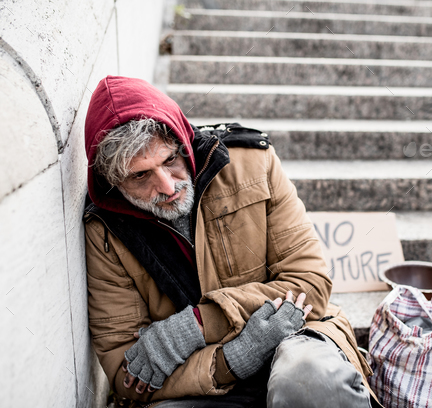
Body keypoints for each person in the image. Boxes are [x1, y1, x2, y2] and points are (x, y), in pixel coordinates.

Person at [83, 75, 379, 407]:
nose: (167, 187)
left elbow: (309, 283)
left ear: (183, 140)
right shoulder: (105, 231)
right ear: (114, 183)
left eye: (169, 161)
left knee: (307, 377)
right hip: (199, 375)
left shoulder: (251, 161)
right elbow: (128, 376)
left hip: (297, 333)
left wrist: (195, 326)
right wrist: (230, 360)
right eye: (140, 176)